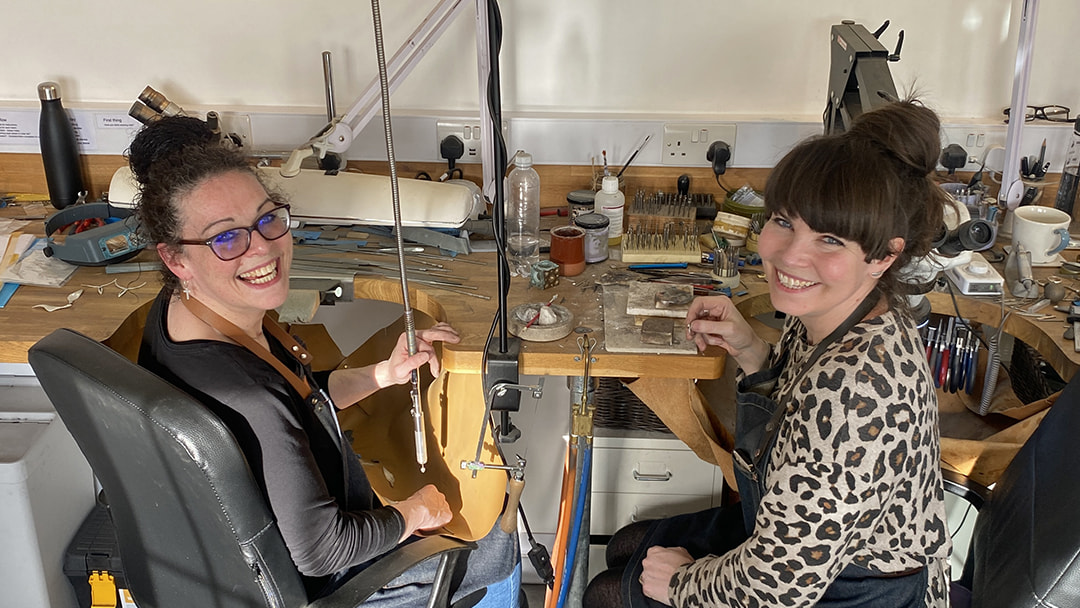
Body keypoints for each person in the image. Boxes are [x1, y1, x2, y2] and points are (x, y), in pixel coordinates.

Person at [130, 116, 518, 606]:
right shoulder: (250, 396)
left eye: (268, 218)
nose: (262, 248)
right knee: (495, 534)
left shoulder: (180, 312)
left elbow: (297, 395)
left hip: (235, 560)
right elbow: (323, 550)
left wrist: (382, 374)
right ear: (176, 259)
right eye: (226, 239)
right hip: (330, 580)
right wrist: (414, 513)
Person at [584, 100, 953, 608]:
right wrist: (753, 351)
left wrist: (682, 585)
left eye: (828, 239)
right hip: (803, 541)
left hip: (853, 586)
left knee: (609, 593)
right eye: (783, 221)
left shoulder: (858, 393)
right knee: (627, 547)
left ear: (883, 255)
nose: (787, 254)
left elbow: (779, 587)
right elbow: (800, 406)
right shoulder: (847, 310)